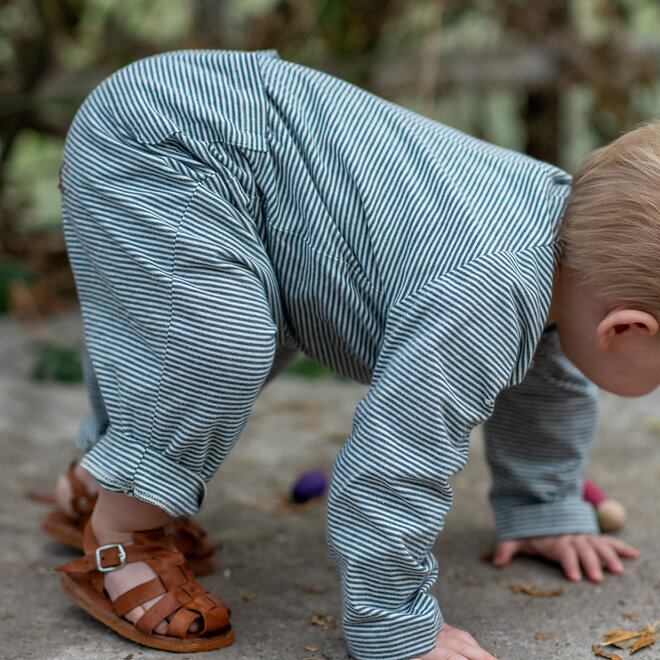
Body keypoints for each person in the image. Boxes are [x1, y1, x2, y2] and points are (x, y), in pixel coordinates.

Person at [47, 48, 655, 659]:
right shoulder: (486, 295)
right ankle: (122, 530)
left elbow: (549, 384)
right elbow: (396, 462)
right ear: (624, 329)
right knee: (213, 342)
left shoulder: (568, 247)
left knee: (194, 331)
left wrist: (546, 507)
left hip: (221, 131)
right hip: (166, 144)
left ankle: (103, 478)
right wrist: (395, 624)